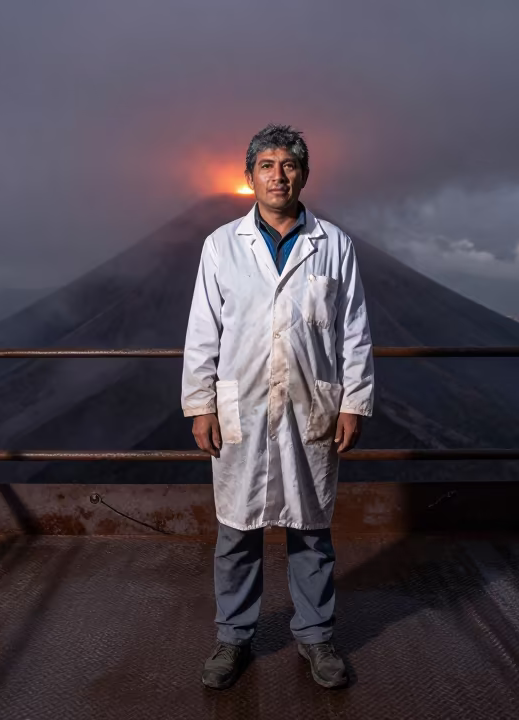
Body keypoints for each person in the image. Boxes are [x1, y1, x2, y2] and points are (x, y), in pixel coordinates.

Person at [181, 124, 375, 690]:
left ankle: (316, 639)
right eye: (266, 165)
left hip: (311, 406)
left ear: (304, 175)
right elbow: (202, 332)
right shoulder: (221, 246)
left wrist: (354, 403)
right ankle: (233, 639)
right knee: (236, 530)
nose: (278, 175)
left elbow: (354, 332)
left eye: (289, 165)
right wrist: (201, 404)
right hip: (240, 406)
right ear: (250, 176)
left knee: (311, 529)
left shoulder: (334, 245)